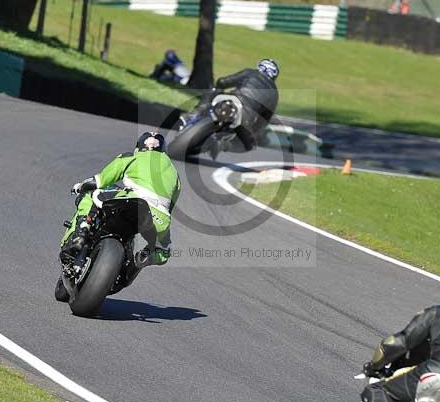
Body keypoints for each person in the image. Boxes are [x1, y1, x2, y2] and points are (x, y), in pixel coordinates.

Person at [60, 132, 181, 272]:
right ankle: (142, 259)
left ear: (139, 146)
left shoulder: (132, 156)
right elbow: (169, 208)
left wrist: (80, 187)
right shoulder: (175, 175)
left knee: (92, 193)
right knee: (164, 251)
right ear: (163, 151)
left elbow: (100, 180)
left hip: (131, 200)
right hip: (159, 216)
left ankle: (81, 232)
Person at [185, 58, 280, 159]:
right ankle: (223, 145)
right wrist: (252, 132)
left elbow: (222, 81)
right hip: (245, 118)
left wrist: (218, 91)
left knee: (211, 91)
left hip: (230, 100)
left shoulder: (250, 72)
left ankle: (195, 113)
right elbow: (264, 120)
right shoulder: (274, 93)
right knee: (249, 145)